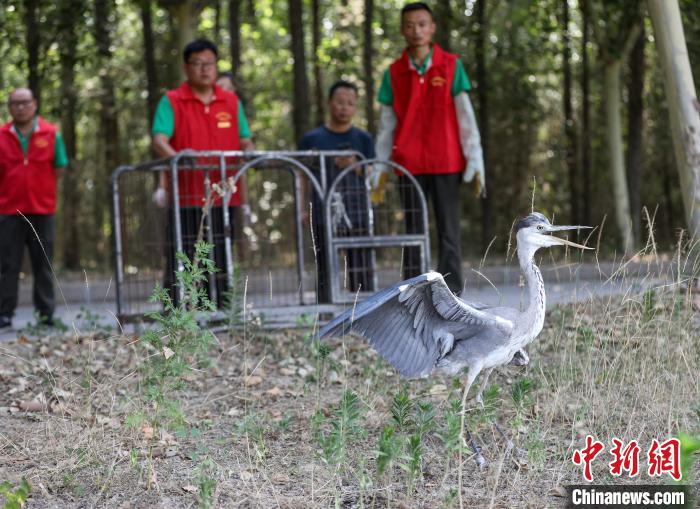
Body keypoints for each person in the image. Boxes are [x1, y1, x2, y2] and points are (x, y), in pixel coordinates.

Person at [372, 2, 485, 294]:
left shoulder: (450, 64)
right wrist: (380, 167)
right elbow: (386, 125)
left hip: (446, 161)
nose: (416, 30)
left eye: (422, 24)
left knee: (449, 230)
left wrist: (475, 158)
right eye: (410, 25)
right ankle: (412, 290)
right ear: (402, 30)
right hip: (407, 163)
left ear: (432, 28)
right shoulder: (394, 72)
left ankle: (453, 291)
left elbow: (466, 117)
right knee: (413, 229)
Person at [152, 39, 254, 307]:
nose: (204, 69)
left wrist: (251, 151)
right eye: (198, 64)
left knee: (220, 255)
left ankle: (219, 311)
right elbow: (159, 139)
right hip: (185, 196)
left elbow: (245, 139)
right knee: (181, 254)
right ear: (187, 67)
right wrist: (179, 160)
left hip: (224, 196)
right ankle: (173, 313)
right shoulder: (172, 101)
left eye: (209, 64)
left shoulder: (231, 102)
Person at [298, 80, 376, 302]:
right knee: (325, 264)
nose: (344, 107)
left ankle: (363, 310)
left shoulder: (364, 139)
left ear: (355, 107)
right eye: (340, 102)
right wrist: (303, 208)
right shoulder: (312, 139)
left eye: (350, 103)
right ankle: (325, 314)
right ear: (329, 103)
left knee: (360, 264)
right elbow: (302, 176)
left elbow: (372, 172)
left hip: (358, 211)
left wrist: (355, 165)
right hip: (322, 210)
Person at [0, 88, 69, 329]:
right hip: (9, 212)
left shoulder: (51, 134)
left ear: (34, 104)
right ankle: (4, 314)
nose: (20, 107)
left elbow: (60, 167)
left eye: (24, 102)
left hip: (43, 211)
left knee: (44, 264)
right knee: (8, 265)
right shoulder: (1, 135)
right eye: (15, 103)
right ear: (9, 107)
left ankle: (46, 315)